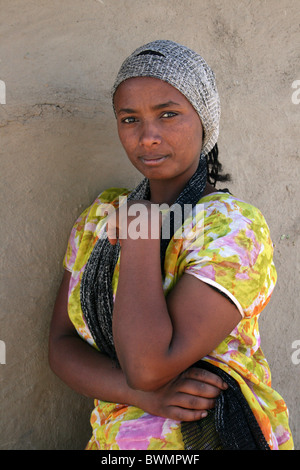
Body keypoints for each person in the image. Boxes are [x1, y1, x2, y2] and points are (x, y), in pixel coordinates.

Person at [49, 40, 293, 450]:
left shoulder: (231, 227)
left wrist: (141, 237)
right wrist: (143, 397)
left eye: (168, 114)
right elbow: (60, 346)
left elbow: (147, 366)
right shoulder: (100, 218)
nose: (147, 137)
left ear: (204, 120)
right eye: (130, 119)